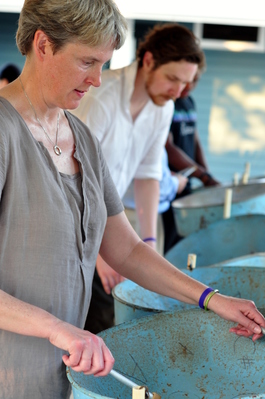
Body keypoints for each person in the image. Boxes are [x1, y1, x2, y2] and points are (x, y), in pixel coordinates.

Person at [0, 2, 264, 398]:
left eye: (104, 64)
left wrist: (211, 298)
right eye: (87, 62)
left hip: (66, 368)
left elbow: (125, 248)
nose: (97, 80)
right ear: (43, 44)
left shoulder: (81, 138)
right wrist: (57, 329)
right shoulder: (4, 132)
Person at [71, 23, 207, 332]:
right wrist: (101, 254)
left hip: (109, 221)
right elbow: (78, 182)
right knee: (97, 322)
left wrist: (149, 242)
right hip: (72, 224)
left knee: (123, 315)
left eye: (185, 84)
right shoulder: (100, 98)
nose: (178, 92)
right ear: (147, 61)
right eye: (172, 79)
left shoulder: (163, 108)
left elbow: (148, 176)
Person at [162, 71, 221, 254]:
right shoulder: (167, 103)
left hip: (187, 183)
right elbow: (168, 147)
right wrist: (202, 176)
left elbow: (195, 141)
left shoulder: (189, 102)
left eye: (194, 81)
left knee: (183, 243)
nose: (189, 86)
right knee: (167, 243)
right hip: (169, 184)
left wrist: (206, 174)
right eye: (186, 80)